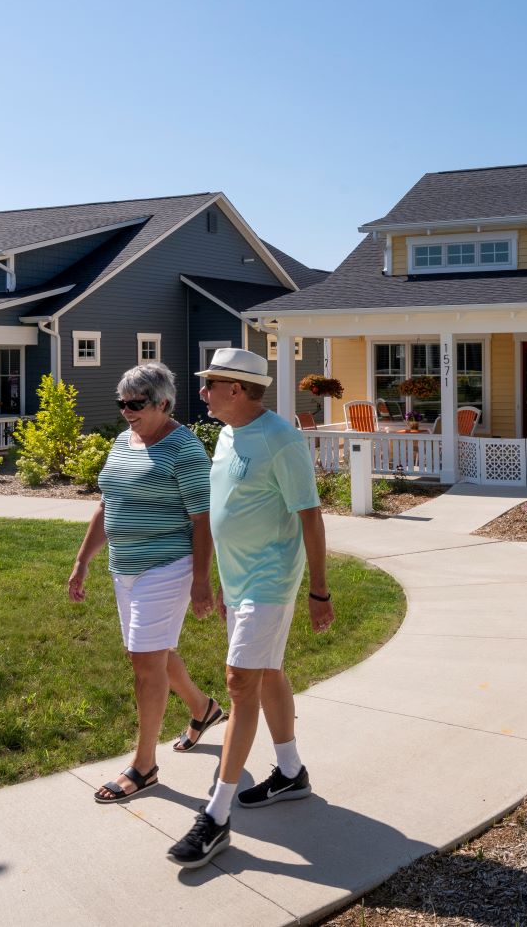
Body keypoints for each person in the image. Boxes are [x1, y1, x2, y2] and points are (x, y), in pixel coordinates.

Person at [166, 346, 333, 869]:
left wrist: (319, 592)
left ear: (236, 389)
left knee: (240, 682)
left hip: (272, 579)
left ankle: (214, 817)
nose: (202, 391)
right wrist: (216, 577)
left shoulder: (281, 441)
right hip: (239, 581)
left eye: (209, 384)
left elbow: (310, 517)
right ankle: (290, 773)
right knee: (268, 673)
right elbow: (225, 510)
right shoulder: (228, 433)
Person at [67, 361, 223, 804]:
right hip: (125, 568)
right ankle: (202, 708)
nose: (127, 412)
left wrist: (200, 580)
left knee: (144, 661)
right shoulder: (123, 441)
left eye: (136, 404)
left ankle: (144, 765)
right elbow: (107, 504)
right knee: (152, 653)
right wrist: (82, 561)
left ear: (164, 403)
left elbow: (202, 520)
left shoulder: (185, 451)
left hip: (167, 567)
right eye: (122, 403)